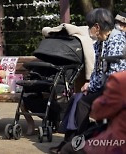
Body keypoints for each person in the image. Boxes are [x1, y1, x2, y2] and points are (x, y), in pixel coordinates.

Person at [49, 9, 126, 154]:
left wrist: (92, 85)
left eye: (89, 25)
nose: (88, 29)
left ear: (97, 27)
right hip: (106, 86)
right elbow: (97, 71)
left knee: (83, 103)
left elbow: (114, 74)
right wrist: (89, 84)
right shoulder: (99, 43)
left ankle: (76, 144)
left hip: (118, 88)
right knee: (77, 99)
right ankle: (71, 142)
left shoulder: (117, 40)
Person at [60, 71, 126, 154]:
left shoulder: (121, 80)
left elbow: (98, 111)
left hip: (117, 142)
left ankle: (79, 139)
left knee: (68, 149)